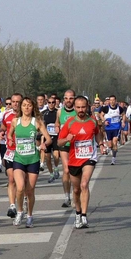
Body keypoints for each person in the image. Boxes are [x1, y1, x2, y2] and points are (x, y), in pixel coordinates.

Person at [58, 96, 104, 228]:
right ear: (75, 108)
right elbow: (59, 141)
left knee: (84, 184)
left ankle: (84, 215)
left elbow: (97, 133)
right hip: (74, 159)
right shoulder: (70, 123)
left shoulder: (92, 121)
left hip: (89, 157)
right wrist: (67, 139)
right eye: (78, 107)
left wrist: (100, 144)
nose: (81, 110)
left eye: (83, 107)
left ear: (87, 106)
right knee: (77, 189)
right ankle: (78, 212)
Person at [7, 97, 52, 228]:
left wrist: (44, 144)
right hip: (19, 159)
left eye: (29, 105)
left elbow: (49, 139)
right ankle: (20, 211)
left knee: (30, 190)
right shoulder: (15, 121)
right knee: (20, 187)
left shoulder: (36, 122)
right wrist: (10, 139)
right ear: (20, 107)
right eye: (24, 105)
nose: (26, 108)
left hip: (33, 159)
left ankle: (30, 216)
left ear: (33, 108)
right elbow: (9, 134)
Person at [0, 93, 23, 218]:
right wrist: (2, 132)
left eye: (18, 102)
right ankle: (12, 205)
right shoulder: (7, 115)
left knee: (22, 181)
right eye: (13, 101)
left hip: (24, 152)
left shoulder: (27, 116)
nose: (15, 104)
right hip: (10, 151)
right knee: (11, 179)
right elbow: (3, 127)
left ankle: (22, 200)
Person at [55, 89, 76, 208]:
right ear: (64, 99)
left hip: (76, 144)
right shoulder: (59, 112)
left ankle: (75, 194)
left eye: (71, 98)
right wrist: (57, 127)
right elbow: (57, 123)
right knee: (67, 170)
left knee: (75, 171)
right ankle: (67, 196)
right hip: (64, 144)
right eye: (66, 98)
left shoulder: (78, 110)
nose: (68, 100)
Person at [100, 95, 125, 165]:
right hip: (108, 128)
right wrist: (104, 121)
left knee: (115, 141)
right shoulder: (106, 108)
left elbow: (123, 115)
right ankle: (112, 149)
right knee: (110, 145)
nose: (112, 101)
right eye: (110, 100)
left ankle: (113, 158)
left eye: (113, 100)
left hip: (117, 127)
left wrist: (123, 121)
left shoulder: (119, 108)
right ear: (109, 101)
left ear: (115, 100)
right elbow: (101, 115)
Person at [42, 96, 60, 183]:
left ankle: (56, 168)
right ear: (47, 103)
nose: (51, 104)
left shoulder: (58, 112)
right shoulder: (44, 113)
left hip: (57, 137)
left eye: (53, 102)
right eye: (49, 102)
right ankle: (51, 173)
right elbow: (42, 126)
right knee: (47, 158)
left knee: (56, 155)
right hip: (47, 137)